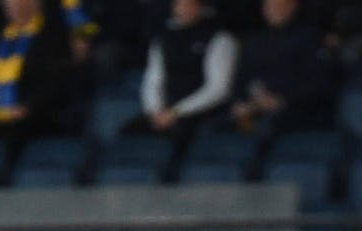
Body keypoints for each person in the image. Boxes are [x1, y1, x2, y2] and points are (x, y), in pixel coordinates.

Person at [125, 0, 238, 145]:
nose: (184, 9)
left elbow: (219, 88)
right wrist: (155, 111)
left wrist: (177, 112)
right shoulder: (162, 39)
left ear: (201, 7)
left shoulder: (220, 39)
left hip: (201, 114)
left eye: (190, 4)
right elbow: (153, 79)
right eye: (180, 4)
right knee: (128, 133)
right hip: (164, 113)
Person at [0, 0, 73, 148]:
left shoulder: (51, 36)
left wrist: (27, 107)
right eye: (12, 6)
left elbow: (55, 82)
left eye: (22, 5)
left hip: (35, 119)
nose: (17, 10)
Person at [228, 0, 332, 135]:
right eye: (270, 6)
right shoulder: (254, 41)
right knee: (217, 129)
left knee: (261, 129)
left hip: (294, 110)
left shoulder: (310, 38)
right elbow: (240, 79)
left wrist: (282, 100)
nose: (275, 10)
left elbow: (319, 83)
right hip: (253, 109)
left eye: (280, 6)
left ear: (293, 7)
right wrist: (241, 102)